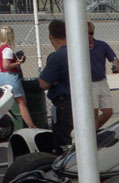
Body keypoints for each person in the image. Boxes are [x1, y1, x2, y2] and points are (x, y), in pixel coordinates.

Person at [38, 19, 72, 149]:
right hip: (80, 101)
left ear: (50, 37)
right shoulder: (77, 52)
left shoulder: (57, 56)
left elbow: (43, 83)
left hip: (64, 105)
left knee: (64, 141)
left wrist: (52, 80)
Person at [0, 26, 35, 129]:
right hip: (9, 76)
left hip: (1, 76)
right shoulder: (7, 49)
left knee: (6, 101)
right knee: (21, 102)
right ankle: (31, 125)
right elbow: (6, 66)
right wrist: (18, 62)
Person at [88, 21, 119, 129]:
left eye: (91, 33)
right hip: (89, 84)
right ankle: (92, 136)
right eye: (86, 33)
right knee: (93, 113)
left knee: (108, 111)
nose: (89, 36)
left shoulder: (102, 45)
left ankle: (93, 131)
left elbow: (114, 58)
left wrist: (116, 66)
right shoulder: (79, 48)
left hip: (102, 82)